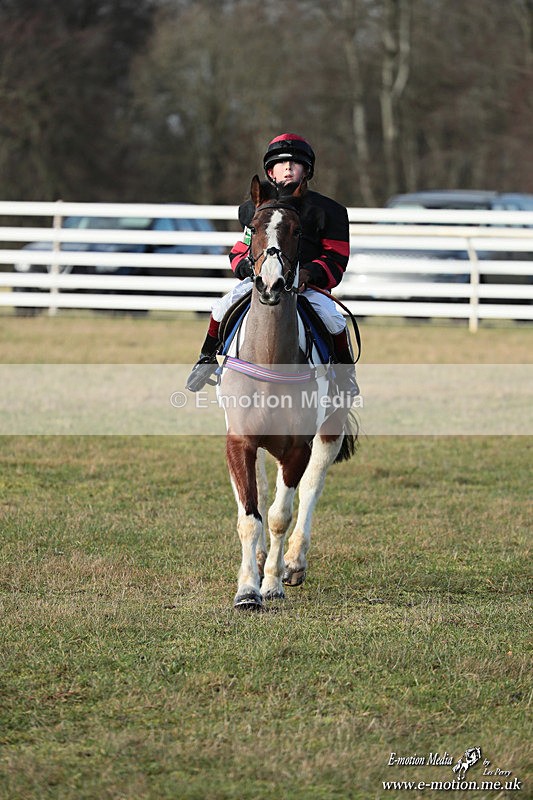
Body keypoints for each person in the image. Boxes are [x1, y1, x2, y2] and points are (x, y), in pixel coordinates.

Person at [186, 133, 358, 394]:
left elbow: (336, 257)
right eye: (281, 163)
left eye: (295, 163)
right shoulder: (253, 209)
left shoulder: (330, 211)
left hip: (307, 287)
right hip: (260, 281)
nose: (288, 168)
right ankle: (206, 360)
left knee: (334, 321)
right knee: (221, 307)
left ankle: (345, 379)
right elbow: (241, 249)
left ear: (306, 170)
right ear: (270, 171)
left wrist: (308, 274)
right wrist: (244, 267)